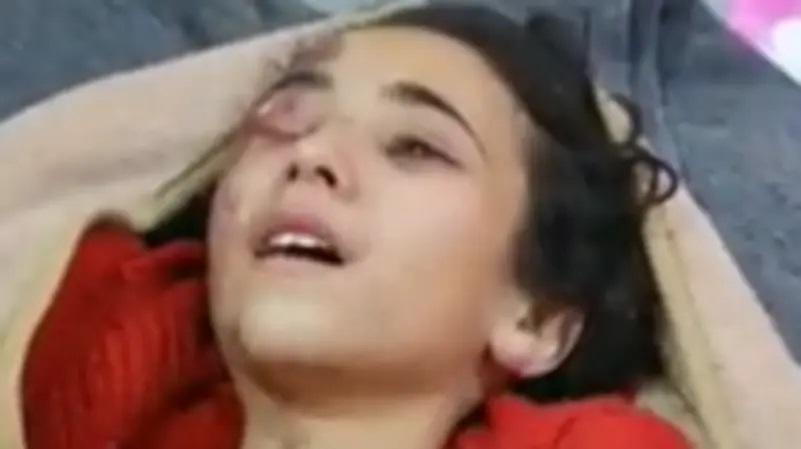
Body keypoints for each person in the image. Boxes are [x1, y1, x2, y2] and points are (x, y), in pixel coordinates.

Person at [21, 5, 689, 449]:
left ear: (537, 319)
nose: (310, 154)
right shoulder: (111, 379)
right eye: (285, 120)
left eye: (415, 147)